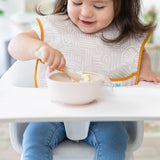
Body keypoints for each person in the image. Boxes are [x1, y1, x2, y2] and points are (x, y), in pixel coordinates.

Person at [8, 0, 160, 160]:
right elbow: (15, 45)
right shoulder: (54, 27)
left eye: (98, 6)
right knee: (34, 138)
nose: (86, 12)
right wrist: (39, 48)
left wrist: (145, 71)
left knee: (115, 139)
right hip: (54, 112)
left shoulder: (123, 34)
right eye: (77, 2)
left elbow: (139, 54)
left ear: (121, 5)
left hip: (104, 114)